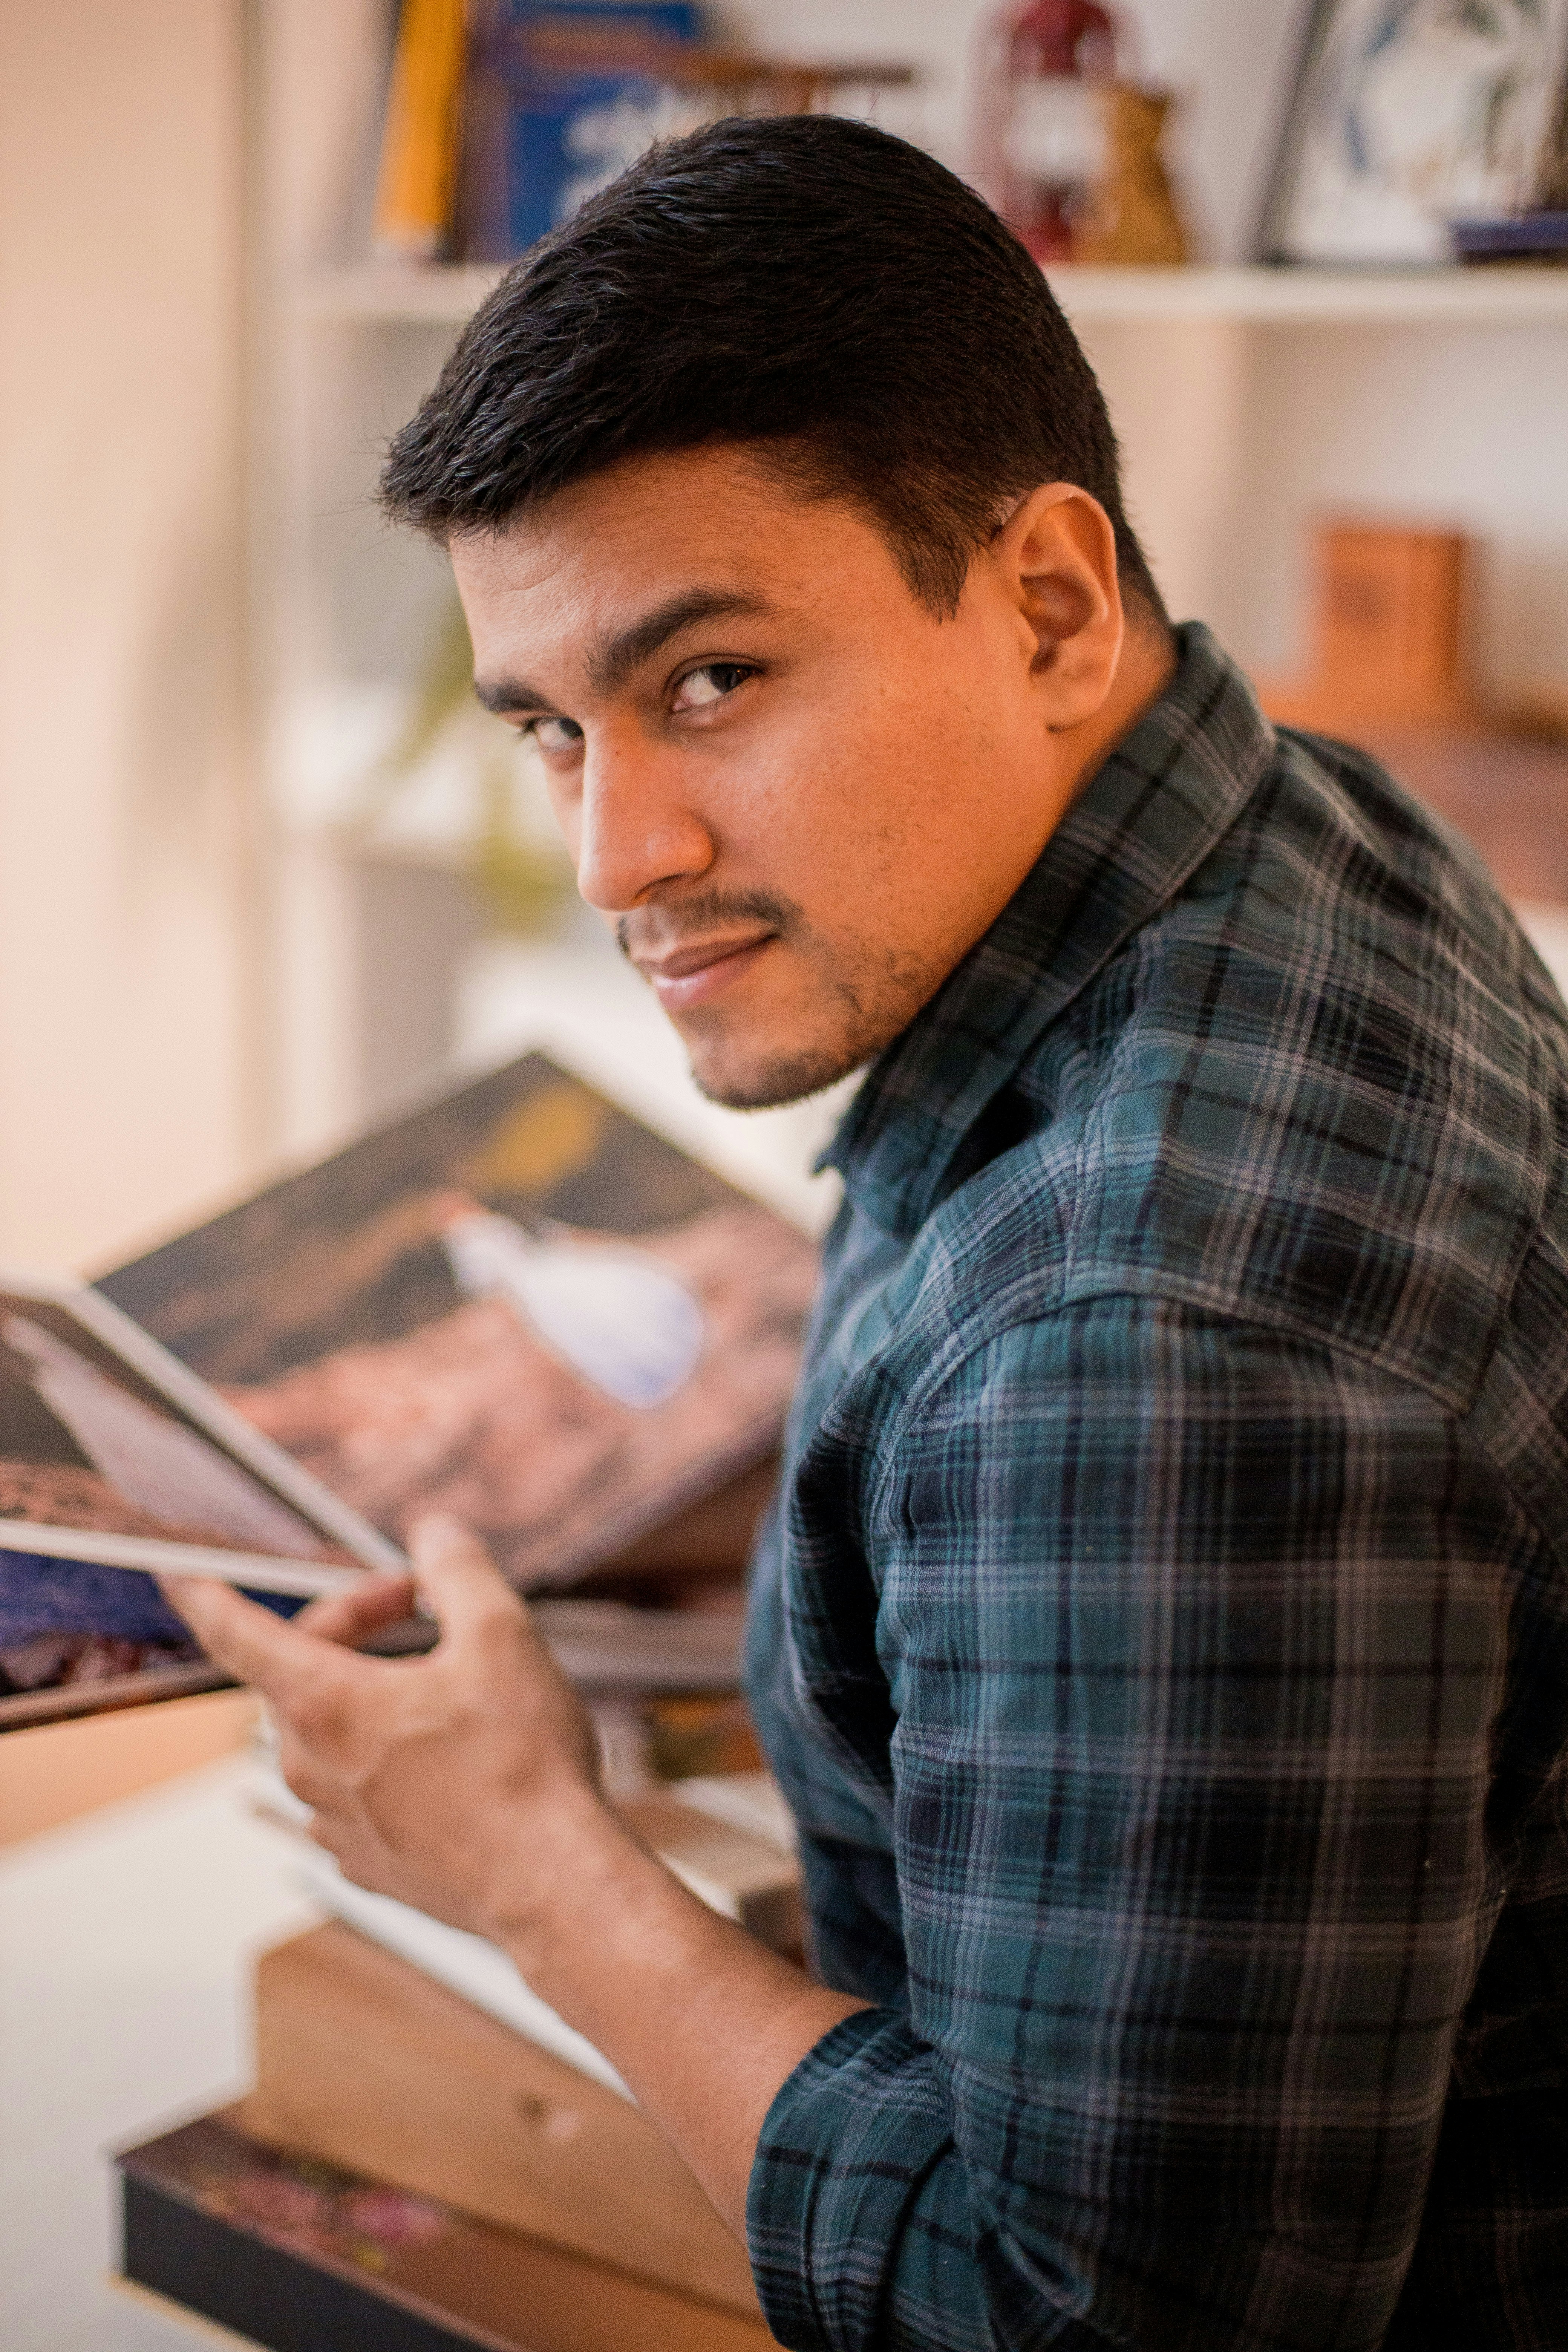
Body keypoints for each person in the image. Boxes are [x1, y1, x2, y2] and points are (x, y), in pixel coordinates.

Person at [163, 116, 1568, 2350]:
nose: (620, 851)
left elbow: (1079, 2325)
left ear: (1047, 601)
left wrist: (533, 1863)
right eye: (549, 728)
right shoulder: (1279, 818)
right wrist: (791, 1502)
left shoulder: (1156, 1347)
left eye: (709, 678)